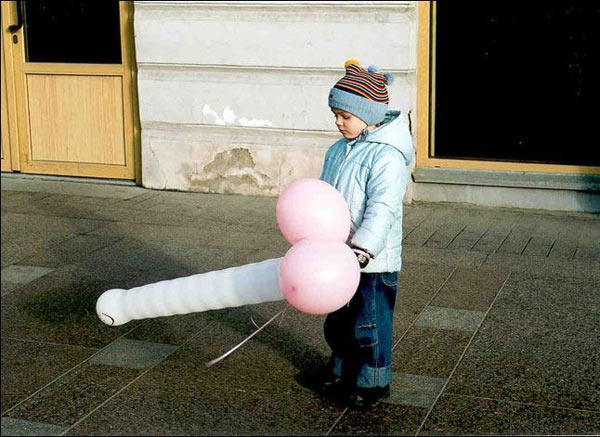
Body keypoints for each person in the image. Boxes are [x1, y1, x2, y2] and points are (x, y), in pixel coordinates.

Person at [318, 59, 414, 409]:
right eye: (335, 114)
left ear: (369, 115)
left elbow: (382, 209)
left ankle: (373, 381)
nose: (338, 122)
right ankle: (343, 368)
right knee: (339, 319)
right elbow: (324, 196)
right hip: (338, 254)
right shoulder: (338, 150)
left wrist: (363, 249)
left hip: (372, 261)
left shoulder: (387, 158)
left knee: (368, 324)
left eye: (345, 115)